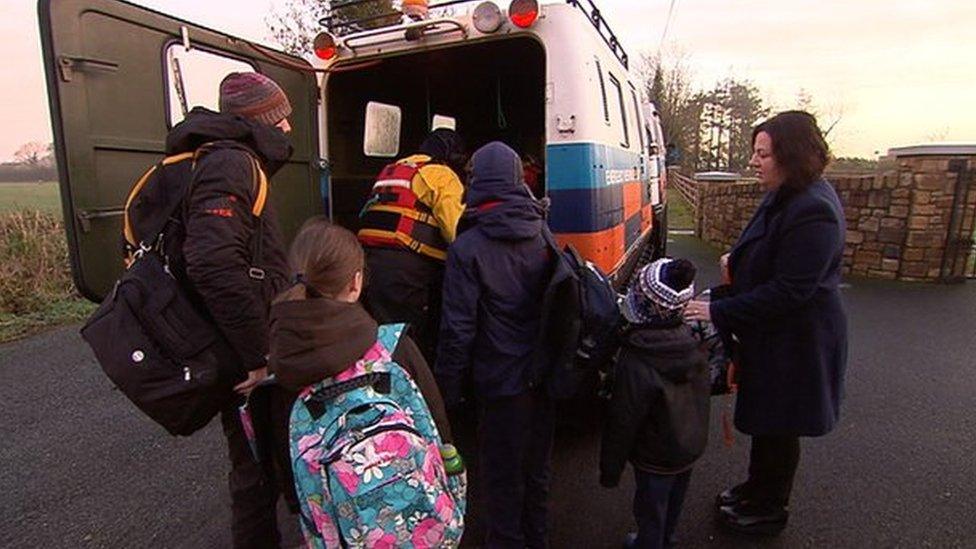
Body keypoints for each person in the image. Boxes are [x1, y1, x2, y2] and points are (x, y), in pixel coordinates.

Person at [684, 110, 849, 535]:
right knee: (767, 421)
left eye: (763, 154)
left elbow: (791, 290)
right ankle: (754, 489)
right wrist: (734, 262)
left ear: (790, 155)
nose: (754, 162)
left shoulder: (815, 210)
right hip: (776, 336)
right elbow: (765, 251)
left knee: (780, 425)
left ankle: (769, 509)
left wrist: (716, 310)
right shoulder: (784, 193)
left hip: (799, 341)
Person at [268, 217, 462, 547]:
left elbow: (290, 479)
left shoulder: (279, 373)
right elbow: (437, 423)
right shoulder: (394, 345)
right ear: (356, 283)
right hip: (417, 521)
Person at [164, 72, 296, 547]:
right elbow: (213, 264)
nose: (288, 130)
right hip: (244, 353)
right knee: (257, 469)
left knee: (261, 464)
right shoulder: (232, 165)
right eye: (283, 119)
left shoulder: (228, 160)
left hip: (235, 340)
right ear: (264, 121)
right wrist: (259, 357)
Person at [435, 141, 555, 549]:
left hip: (500, 386)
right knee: (536, 475)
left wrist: (445, 393)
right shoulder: (541, 231)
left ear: (479, 182)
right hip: (542, 379)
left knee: (501, 480)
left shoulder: (467, 248)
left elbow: (457, 330)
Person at [600, 258, 709, 549]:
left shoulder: (636, 358)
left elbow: (623, 418)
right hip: (687, 449)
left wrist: (610, 469)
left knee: (650, 509)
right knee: (674, 502)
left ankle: (649, 542)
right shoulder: (694, 344)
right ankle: (668, 538)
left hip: (654, 457)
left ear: (641, 304)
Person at [358, 128, 467, 363]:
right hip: (408, 269)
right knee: (412, 340)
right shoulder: (440, 174)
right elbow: (456, 231)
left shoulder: (391, 170)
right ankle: (413, 389)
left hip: (368, 264)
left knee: (382, 335)